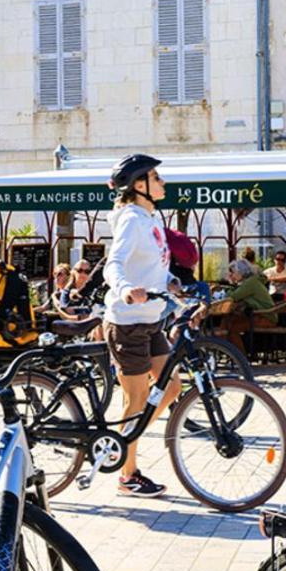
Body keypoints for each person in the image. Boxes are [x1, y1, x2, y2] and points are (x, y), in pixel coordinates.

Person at [102, 153, 182, 498]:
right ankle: (127, 473)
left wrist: (172, 281)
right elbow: (113, 264)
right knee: (135, 401)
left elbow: (153, 267)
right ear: (139, 185)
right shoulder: (131, 220)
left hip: (150, 321)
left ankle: (122, 443)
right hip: (127, 322)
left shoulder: (151, 217)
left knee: (172, 388)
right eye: (156, 177)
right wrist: (124, 290)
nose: (163, 182)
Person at [216, 258, 275, 353]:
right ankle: (223, 351)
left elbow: (233, 296)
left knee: (232, 328)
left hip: (265, 317)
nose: (231, 275)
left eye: (233, 272)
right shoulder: (251, 281)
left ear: (241, 272)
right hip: (260, 315)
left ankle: (240, 357)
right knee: (227, 321)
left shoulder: (250, 283)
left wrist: (229, 286)